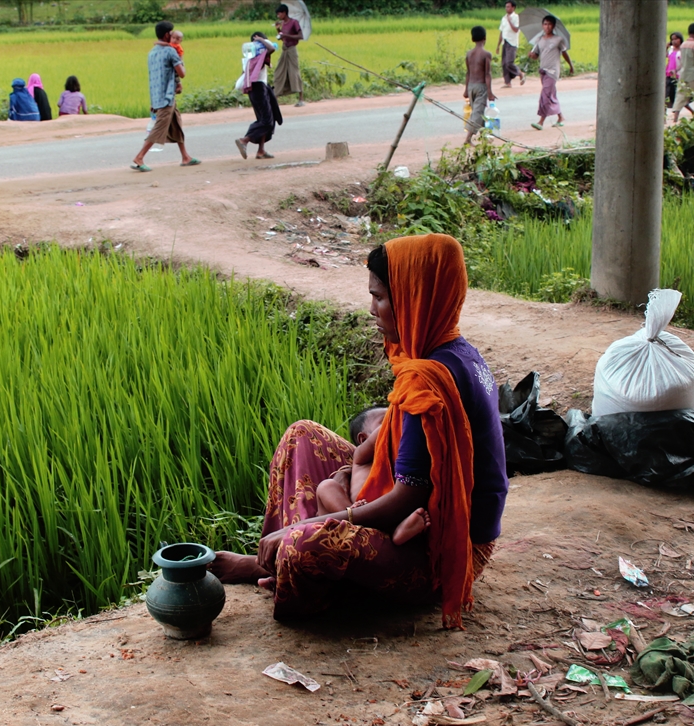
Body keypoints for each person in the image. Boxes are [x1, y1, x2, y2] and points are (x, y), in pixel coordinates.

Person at [211, 233, 509, 630]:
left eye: (381, 297)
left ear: (414, 298)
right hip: (414, 520)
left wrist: (303, 526)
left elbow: (406, 502)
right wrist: (352, 474)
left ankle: (280, 561)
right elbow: (396, 445)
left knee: (310, 543)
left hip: (441, 553)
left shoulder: (430, 378)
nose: (372, 309)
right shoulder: (450, 350)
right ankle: (277, 559)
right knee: (303, 436)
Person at [315, 407, 432, 545]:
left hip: (384, 512)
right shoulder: (361, 456)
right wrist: (399, 414)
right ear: (363, 439)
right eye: (386, 420)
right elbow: (380, 436)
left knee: (413, 508)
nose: (397, 422)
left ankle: (396, 531)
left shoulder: (401, 460)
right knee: (326, 486)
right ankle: (351, 516)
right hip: (355, 507)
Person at [132, 20, 200, 171]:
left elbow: (153, 77)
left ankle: (185, 157)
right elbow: (182, 73)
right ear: (166, 35)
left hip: (157, 96)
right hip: (167, 97)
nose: (174, 36)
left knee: (176, 124)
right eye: (171, 33)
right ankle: (139, 157)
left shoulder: (152, 52)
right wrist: (181, 58)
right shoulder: (170, 51)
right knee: (159, 128)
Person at [234, 32, 281, 160]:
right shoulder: (259, 56)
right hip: (259, 89)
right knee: (266, 121)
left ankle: (261, 151)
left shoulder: (249, 59)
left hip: (256, 90)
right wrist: (261, 40)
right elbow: (271, 48)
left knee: (265, 119)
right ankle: (244, 140)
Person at [529, 15, 573, 130]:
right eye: (545, 24)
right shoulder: (539, 40)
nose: (547, 26)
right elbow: (536, 56)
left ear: (553, 26)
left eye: (549, 24)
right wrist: (532, 55)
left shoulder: (558, 39)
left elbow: (564, 53)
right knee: (551, 95)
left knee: (545, 95)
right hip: (543, 71)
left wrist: (571, 65)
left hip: (552, 71)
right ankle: (561, 117)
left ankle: (541, 122)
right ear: (542, 25)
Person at [463, 26, 495, 147]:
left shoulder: (469, 54)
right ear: (485, 38)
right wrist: (490, 92)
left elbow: (468, 73)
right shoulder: (486, 54)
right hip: (481, 87)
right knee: (477, 113)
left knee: (478, 112)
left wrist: (466, 90)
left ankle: (483, 136)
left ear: (472, 39)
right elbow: (487, 74)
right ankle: (467, 139)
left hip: (471, 86)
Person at [272, 4, 304, 107]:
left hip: (292, 50)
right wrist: (278, 30)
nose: (278, 16)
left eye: (279, 13)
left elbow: (300, 36)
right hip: (284, 50)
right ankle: (275, 97)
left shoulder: (294, 23)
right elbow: (282, 38)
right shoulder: (283, 24)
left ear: (284, 13)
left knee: (294, 72)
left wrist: (286, 35)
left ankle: (301, 98)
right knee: (279, 72)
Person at [497, 2, 524, 88]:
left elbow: (516, 30)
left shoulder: (516, 17)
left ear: (513, 8)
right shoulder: (503, 18)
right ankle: (507, 82)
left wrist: (509, 21)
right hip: (505, 42)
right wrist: (498, 45)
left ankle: (520, 73)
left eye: (508, 7)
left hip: (512, 43)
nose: (507, 8)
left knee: (509, 62)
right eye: (506, 7)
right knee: (504, 63)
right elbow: (502, 32)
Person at [665, 31, 684, 109]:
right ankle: (664, 117)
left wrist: (676, 70)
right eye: (672, 39)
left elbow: (684, 63)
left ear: (680, 39)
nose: (674, 41)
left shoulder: (682, 51)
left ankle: (692, 112)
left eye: (676, 39)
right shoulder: (671, 50)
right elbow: (666, 56)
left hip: (678, 75)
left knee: (678, 96)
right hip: (669, 74)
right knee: (665, 96)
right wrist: (666, 47)